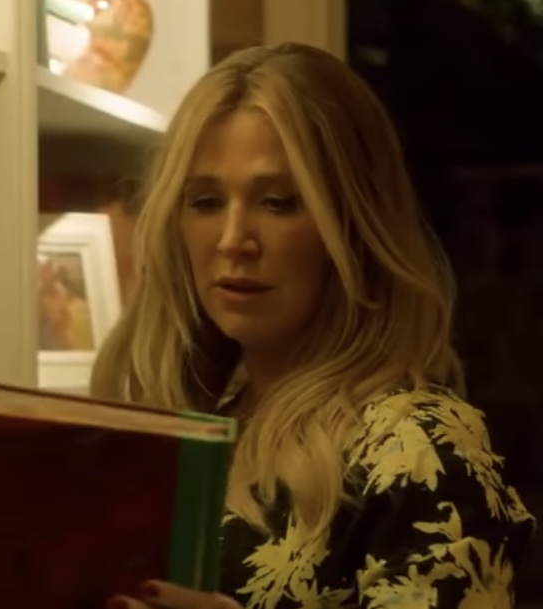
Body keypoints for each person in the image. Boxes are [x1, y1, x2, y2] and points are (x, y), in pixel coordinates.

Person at [90, 42, 535, 609]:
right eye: (205, 202)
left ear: (351, 225)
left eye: (278, 202)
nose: (233, 240)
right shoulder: (193, 425)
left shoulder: (420, 447)